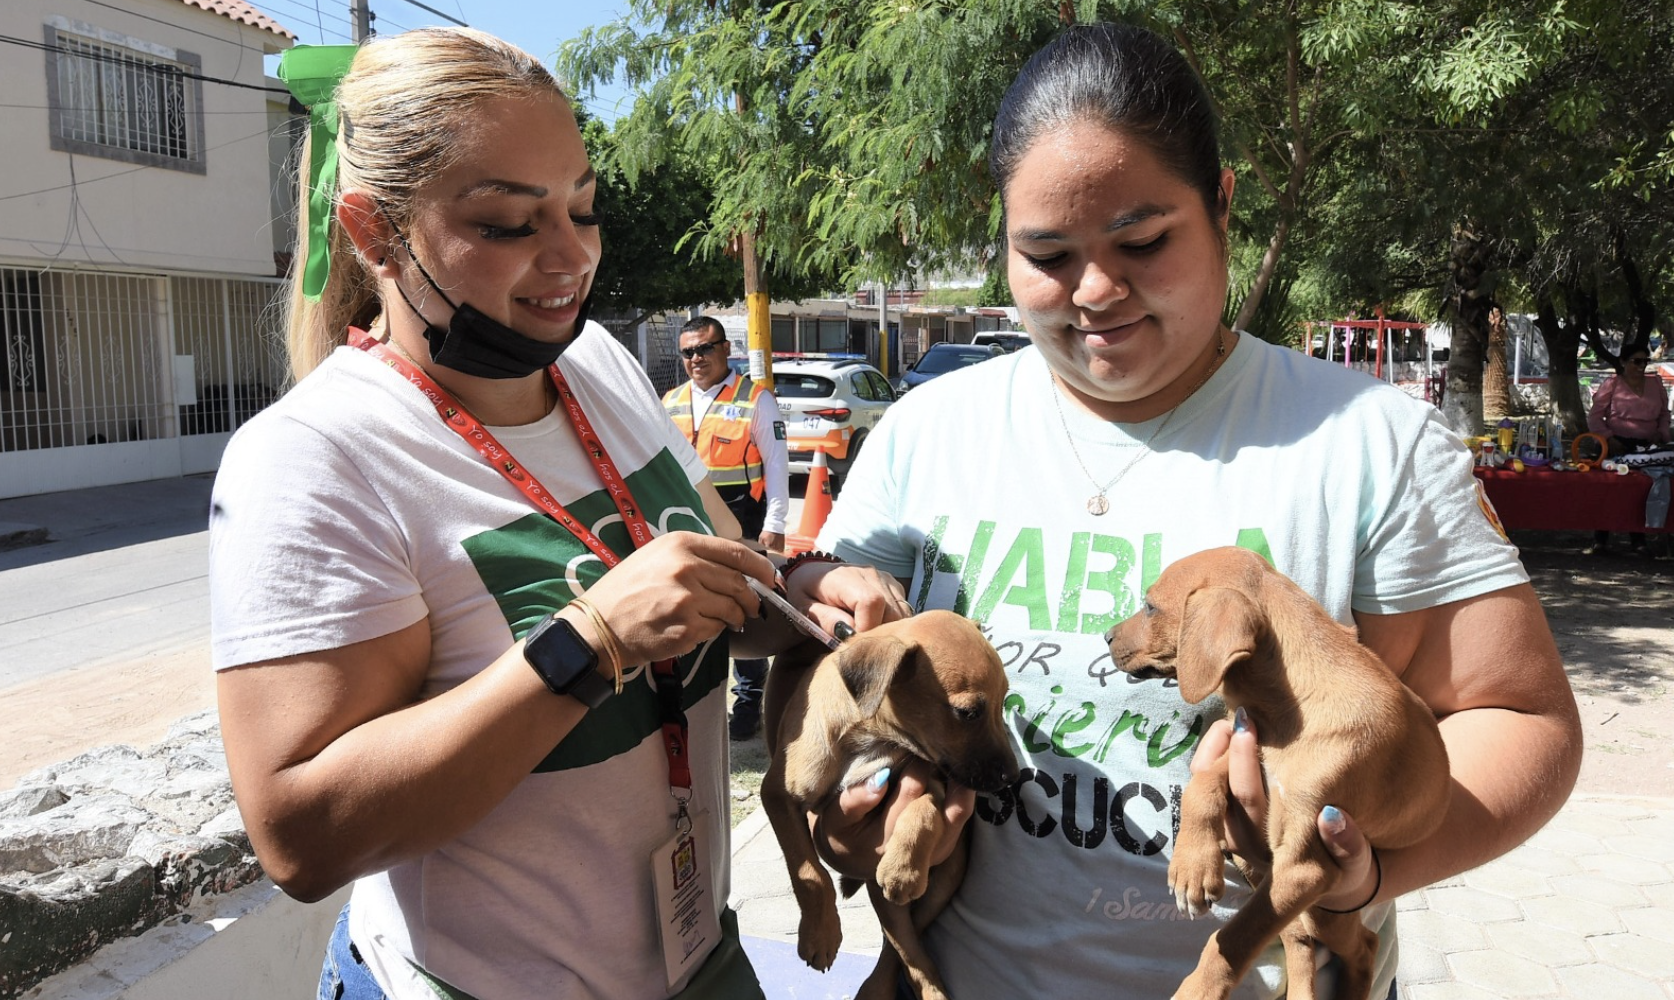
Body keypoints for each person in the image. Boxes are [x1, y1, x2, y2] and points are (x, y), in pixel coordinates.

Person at [784, 22, 1582, 1000]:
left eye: (1143, 240)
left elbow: (1521, 715)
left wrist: (1364, 870)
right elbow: (838, 679)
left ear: (1223, 204)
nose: (1096, 290)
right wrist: (848, 813)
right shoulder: (923, 434)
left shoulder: (1369, 442)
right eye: (1046, 254)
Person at [209, 29, 904, 1000]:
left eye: (583, 208)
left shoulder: (599, 369)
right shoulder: (315, 458)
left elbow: (719, 582)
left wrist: (798, 586)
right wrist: (590, 641)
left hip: (699, 964)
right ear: (375, 233)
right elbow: (301, 838)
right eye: (506, 222)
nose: (570, 256)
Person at [663, 316, 790, 740]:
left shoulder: (756, 399)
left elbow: (776, 463)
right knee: (690, 606)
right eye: (687, 352)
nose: (696, 358)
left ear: (725, 349)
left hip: (741, 520)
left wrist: (775, 523)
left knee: (742, 609)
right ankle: (694, 696)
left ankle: (750, 699)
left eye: (704, 348)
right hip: (687, 520)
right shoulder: (671, 401)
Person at [1585, 347, 1670, 554]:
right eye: (1636, 361)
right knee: (1609, 490)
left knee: (1641, 491)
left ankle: (1638, 538)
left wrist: (1661, 433)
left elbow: (1664, 415)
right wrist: (1608, 438)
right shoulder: (1611, 384)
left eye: (1644, 362)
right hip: (1616, 444)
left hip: (1647, 447)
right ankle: (1601, 537)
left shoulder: (1656, 384)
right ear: (1623, 362)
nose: (1641, 367)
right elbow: (1595, 416)